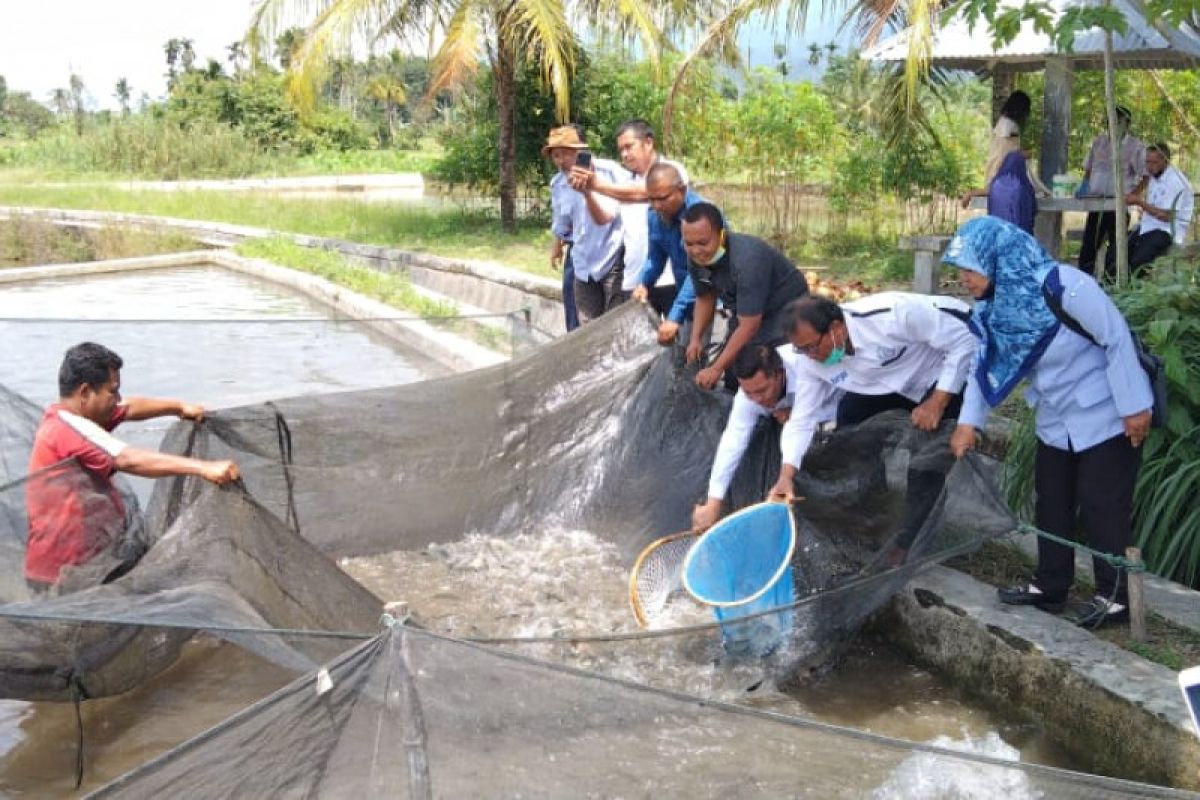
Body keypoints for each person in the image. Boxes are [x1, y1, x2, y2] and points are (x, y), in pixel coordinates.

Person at [945, 216, 1153, 628]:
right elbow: (981, 367)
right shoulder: (993, 311)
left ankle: (1113, 596)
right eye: (961, 271)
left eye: (970, 269)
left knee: (1102, 506)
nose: (964, 280)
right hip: (1056, 419)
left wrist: (1134, 408)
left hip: (1105, 412)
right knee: (1051, 501)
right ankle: (1050, 585)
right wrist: (969, 422)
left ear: (995, 260)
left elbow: (1116, 337)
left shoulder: (1063, 285)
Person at [25, 342, 240, 592]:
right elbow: (129, 459)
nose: (116, 399)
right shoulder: (70, 429)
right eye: (112, 391)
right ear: (85, 392)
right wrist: (204, 468)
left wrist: (178, 407)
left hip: (85, 562)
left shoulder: (73, 417)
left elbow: (127, 408)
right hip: (63, 574)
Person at [771, 292, 976, 502]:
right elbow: (802, 419)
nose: (810, 356)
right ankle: (871, 502)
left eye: (812, 347)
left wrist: (937, 402)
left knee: (927, 451)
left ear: (836, 328)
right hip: (886, 383)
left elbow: (964, 339)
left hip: (940, 370)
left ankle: (917, 520)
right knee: (851, 417)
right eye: (801, 350)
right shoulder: (808, 361)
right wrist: (786, 476)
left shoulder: (891, 316)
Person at [692, 344, 834, 532]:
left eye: (762, 390)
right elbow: (733, 440)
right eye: (749, 393)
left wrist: (785, 476)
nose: (757, 399)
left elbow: (803, 423)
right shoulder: (747, 396)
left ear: (780, 373)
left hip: (840, 398)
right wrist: (713, 502)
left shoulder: (806, 368)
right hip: (799, 421)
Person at [681, 202, 808, 390]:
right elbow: (705, 296)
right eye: (689, 243)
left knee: (769, 372)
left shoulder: (748, 261)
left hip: (785, 309)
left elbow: (749, 326)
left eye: (703, 243)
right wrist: (696, 338)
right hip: (746, 311)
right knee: (735, 373)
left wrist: (716, 368)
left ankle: (781, 414)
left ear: (722, 235)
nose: (696, 251)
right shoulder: (696, 258)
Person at [569, 119, 690, 306]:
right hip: (636, 281)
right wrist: (587, 193)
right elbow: (604, 218)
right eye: (621, 150)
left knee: (678, 333)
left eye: (629, 147)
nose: (625, 154)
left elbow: (645, 193)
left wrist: (598, 185)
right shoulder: (624, 180)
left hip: (671, 278)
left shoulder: (672, 170)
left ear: (648, 143)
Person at [543, 124, 625, 324]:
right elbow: (562, 219)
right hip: (582, 263)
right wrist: (557, 245)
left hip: (612, 255)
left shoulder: (609, 172)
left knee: (615, 320)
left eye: (565, 154)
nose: (561, 161)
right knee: (586, 324)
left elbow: (607, 217)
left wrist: (587, 193)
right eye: (556, 156)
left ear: (580, 152)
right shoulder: (558, 184)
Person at [634, 162, 706, 344]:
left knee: (710, 362)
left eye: (663, 198)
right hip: (689, 301)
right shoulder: (655, 217)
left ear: (681, 190)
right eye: (651, 199)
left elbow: (700, 272)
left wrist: (674, 316)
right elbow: (655, 258)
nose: (657, 205)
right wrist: (644, 283)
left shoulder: (702, 218)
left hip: (716, 302)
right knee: (686, 359)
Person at [1078, 105, 1148, 276]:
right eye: (1109, 121)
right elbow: (1088, 168)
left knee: (1116, 250)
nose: (1113, 125)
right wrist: (1084, 185)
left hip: (1119, 206)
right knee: (1089, 246)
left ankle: (1112, 285)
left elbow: (1146, 176)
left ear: (1127, 124)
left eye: (1118, 122)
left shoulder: (1136, 146)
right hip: (1097, 204)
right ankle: (1084, 281)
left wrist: (1133, 195)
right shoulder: (1099, 142)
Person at [1112, 142, 1195, 276]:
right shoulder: (1154, 177)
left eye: (1154, 162)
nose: (1150, 167)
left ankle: (1134, 292)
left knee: (1138, 261)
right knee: (1116, 253)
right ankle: (1110, 289)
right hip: (1148, 227)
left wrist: (1140, 203)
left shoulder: (1175, 181)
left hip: (1167, 230)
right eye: (1147, 162)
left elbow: (1166, 216)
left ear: (1165, 160)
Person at [961, 90, 1049, 209]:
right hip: (1000, 168)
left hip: (1001, 167)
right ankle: (970, 193)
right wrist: (1025, 154)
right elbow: (1008, 153)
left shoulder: (1005, 123)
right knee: (992, 189)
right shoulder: (1008, 125)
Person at [988, 150, 1037, 234]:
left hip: (998, 233)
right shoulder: (1023, 185)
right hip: (1018, 233)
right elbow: (1032, 210)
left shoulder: (995, 184)